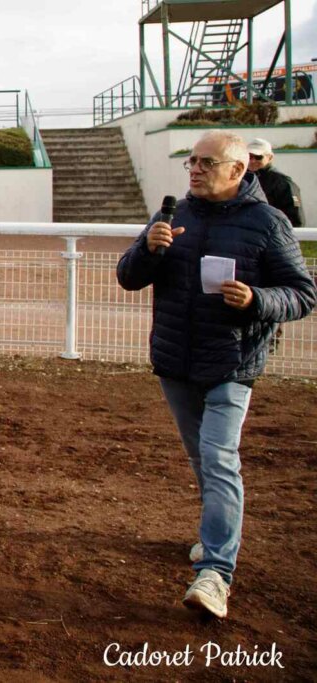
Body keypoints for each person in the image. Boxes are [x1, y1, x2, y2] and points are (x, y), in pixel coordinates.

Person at [117, 131, 315, 619]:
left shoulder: (268, 222)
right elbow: (128, 276)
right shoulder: (171, 216)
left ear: (237, 170)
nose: (195, 170)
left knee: (219, 458)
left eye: (207, 162)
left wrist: (257, 299)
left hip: (231, 364)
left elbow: (302, 293)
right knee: (203, 457)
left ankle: (215, 573)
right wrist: (148, 250)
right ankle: (214, 540)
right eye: (192, 161)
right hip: (176, 363)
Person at [246, 138, 306, 227]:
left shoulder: (283, 183)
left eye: (258, 157)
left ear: (270, 157)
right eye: (249, 156)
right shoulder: (240, 179)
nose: (252, 161)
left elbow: (296, 219)